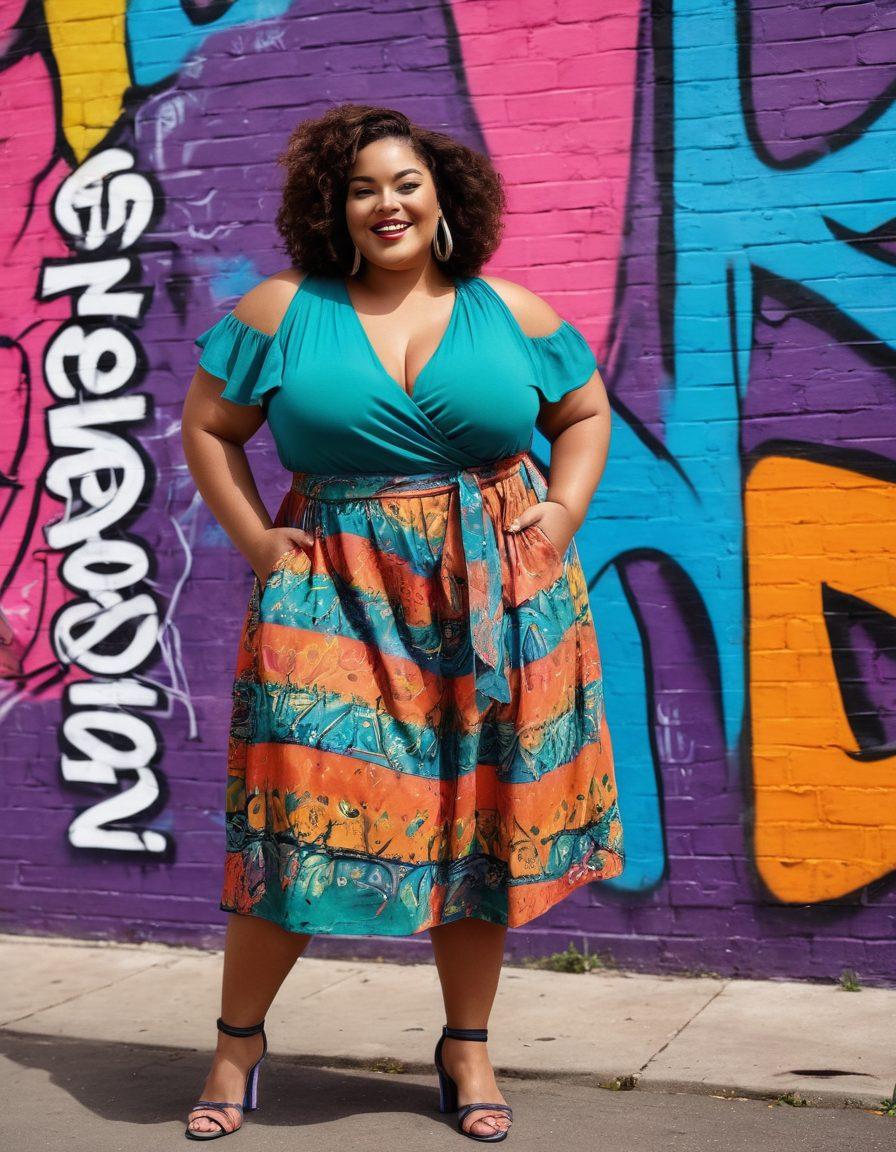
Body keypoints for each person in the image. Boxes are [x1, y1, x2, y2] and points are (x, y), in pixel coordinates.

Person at [180, 103, 624, 1143]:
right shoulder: (281, 309)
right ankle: (237, 1039)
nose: (386, 203)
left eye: (405, 183)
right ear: (333, 208)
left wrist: (556, 516)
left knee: (479, 825)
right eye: (363, 187)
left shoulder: (508, 311)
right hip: (333, 596)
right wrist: (256, 543)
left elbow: (584, 412)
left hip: (498, 599)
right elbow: (209, 425)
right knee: (300, 822)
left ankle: (465, 1043)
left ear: (442, 196)